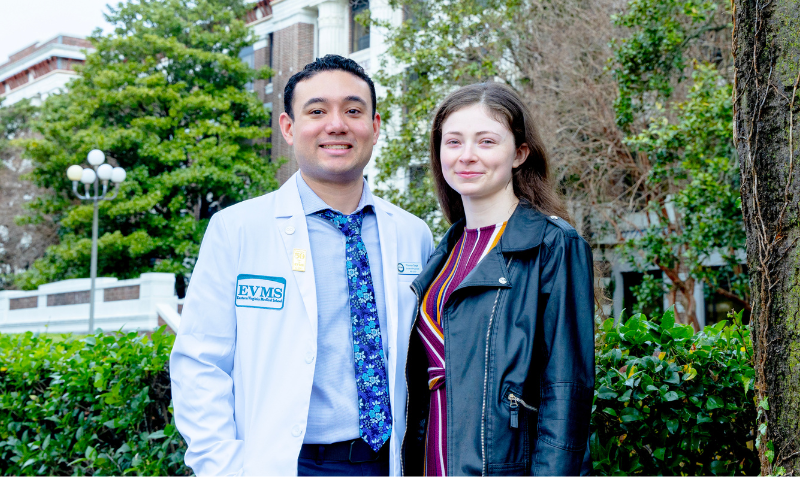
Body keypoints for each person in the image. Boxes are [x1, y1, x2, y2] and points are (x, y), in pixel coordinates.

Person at [170, 54, 434, 476]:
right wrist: (222, 466)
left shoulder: (412, 233)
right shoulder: (237, 229)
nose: (336, 124)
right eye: (317, 111)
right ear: (289, 128)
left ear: (376, 126)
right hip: (286, 463)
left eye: (353, 110)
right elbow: (201, 362)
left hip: (388, 462)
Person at [402, 82, 595, 476]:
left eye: (486, 141)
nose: (467, 156)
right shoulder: (443, 253)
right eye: (453, 142)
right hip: (430, 463)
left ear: (519, 153)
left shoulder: (554, 244)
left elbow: (566, 393)